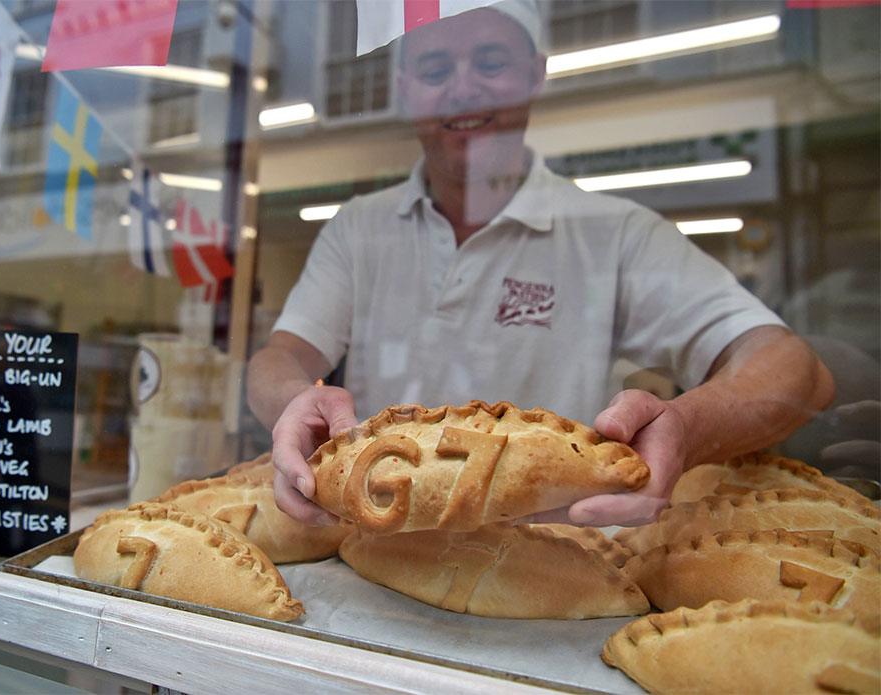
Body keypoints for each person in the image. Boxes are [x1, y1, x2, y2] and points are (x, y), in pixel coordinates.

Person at [246, 0, 835, 529]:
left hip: (558, 561)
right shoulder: (360, 229)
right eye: (435, 70)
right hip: (381, 547)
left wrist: (684, 427)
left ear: (536, 74)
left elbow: (796, 369)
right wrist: (291, 404)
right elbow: (281, 358)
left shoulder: (613, 236)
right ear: (405, 88)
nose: (464, 87)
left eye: (491, 61)